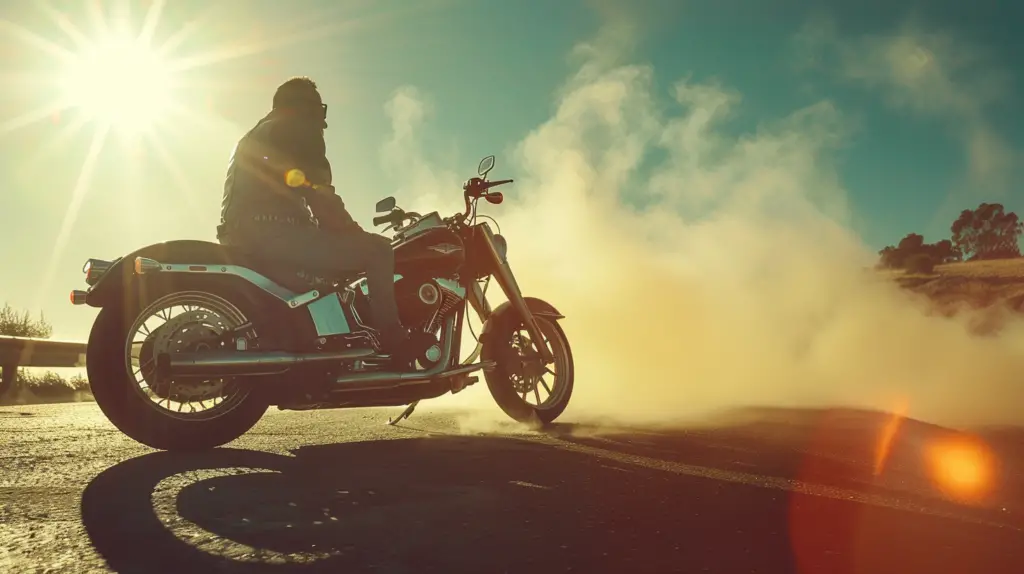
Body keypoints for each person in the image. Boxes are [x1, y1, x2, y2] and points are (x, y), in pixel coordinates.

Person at [216, 76, 434, 368]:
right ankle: (394, 341)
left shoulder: (255, 135)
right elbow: (321, 193)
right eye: (319, 110)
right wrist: (354, 234)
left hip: (245, 234)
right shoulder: (296, 129)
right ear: (305, 107)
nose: (321, 120)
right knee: (379, 250)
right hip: (275, 234)